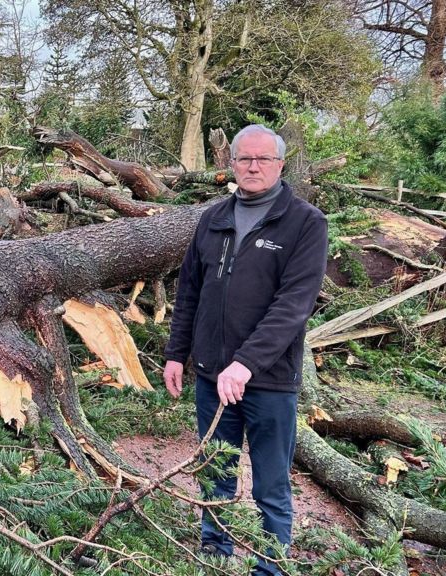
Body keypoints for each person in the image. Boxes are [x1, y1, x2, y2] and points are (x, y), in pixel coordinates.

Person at [163, 124, 328, 575]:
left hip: (270, 381)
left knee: (271, 483)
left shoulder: (305, 223)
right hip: (212, 374)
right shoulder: (213, 218)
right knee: (215, 468)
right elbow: (190, 293)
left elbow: (293, 306)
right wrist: (177, 353)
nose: (253, 166)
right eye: (244, 158)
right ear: (230, 163)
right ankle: (214, 552)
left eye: (263, 159)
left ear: (280, 164)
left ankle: (269, 566)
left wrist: (246, 363)